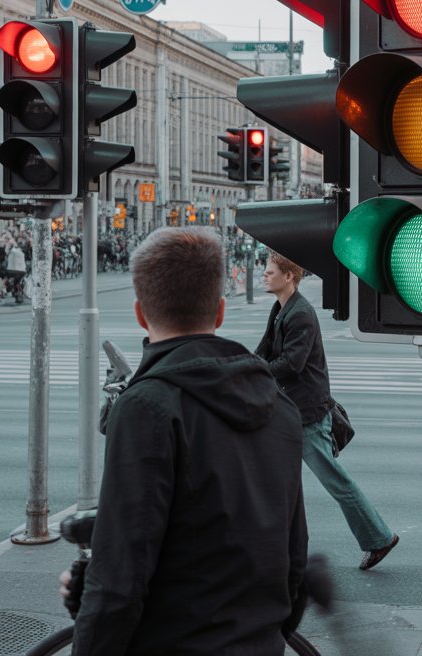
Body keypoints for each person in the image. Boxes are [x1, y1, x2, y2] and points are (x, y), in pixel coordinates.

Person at [64, 228, 308, 655]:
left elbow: (119, 580)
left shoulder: (147, 408)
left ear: (141, 314)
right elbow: (294, 556)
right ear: (219, 311)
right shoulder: (280, 406)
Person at [256, 251, 400, 571]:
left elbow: (291, 364)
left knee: (336, 482)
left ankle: (379, 537)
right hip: (290, 412)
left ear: (288, 276)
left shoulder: (301, 314)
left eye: (269, 271)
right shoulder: (281, 309)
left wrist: (254, 372)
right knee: (272, 478)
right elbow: (264, 350)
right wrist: (241, 366)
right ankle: (271, 547)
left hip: (306, 414)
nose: (264, 276)